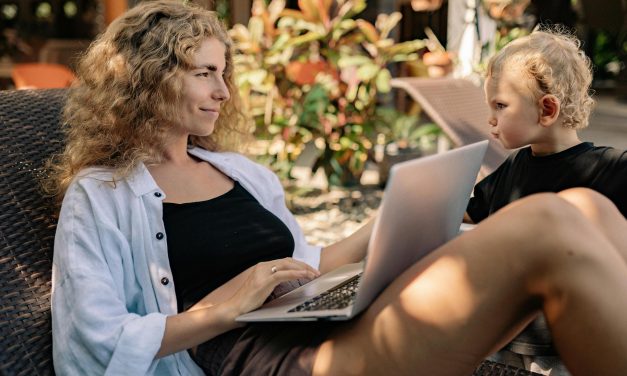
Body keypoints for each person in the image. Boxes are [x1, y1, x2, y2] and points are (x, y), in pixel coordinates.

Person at [46, 1, 627, 375]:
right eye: (204, 73)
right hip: (279, 359)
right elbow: (91, 345)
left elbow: (307, 263)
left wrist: (403, 219)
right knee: (548, 221)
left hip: (329, 317)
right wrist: (226, 306)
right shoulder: (101, 196)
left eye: (224, 72)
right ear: (146, 82)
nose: (224, 91)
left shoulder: (240, 174)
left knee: (588, 206)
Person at [465, 29, 627, 224]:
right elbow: (470, 213)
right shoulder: (514, 165)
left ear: (547, 110)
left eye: (500, 105)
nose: (490, 119)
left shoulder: (613, 170)